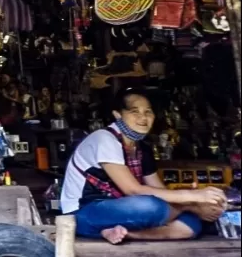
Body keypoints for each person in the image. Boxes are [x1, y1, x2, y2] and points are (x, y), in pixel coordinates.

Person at [61, 89, 226, 244]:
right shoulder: (104, 139)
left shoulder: (142, 148)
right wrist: (193, 200)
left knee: (191, 224)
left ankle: (125, 234)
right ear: (118, 115)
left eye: (148, 112)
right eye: (135, 112)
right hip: (84, 212)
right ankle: (106, 228)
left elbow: (161, 192)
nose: (143, 117)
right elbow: (132, 190)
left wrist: (191, 201)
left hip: (124, 212)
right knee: (151, 207)